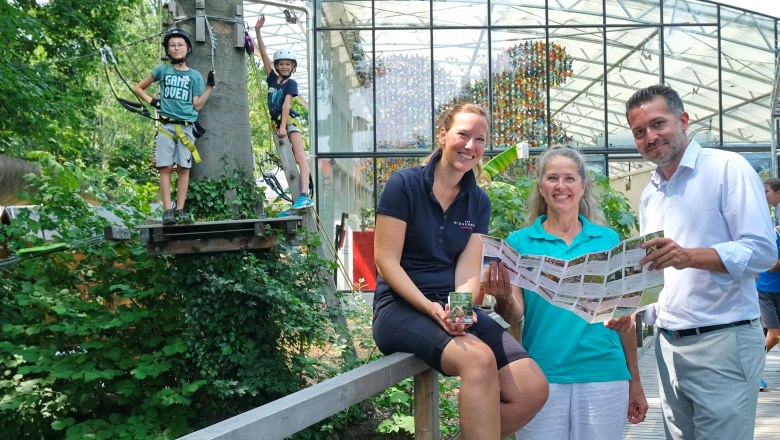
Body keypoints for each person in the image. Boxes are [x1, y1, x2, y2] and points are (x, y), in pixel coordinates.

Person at [372, 103, 548, 439]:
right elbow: (386, 261)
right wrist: (431, 308)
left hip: (450, 306)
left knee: (532, 387)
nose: (471, 146)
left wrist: (459, 311)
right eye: (463, 134)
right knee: (478, 360)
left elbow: (468, 270)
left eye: (479, 139)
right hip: (400, 308)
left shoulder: (478, 201)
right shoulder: (404, 185)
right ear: (443, 135)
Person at [625, 84, 776, 440]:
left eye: (658, 124)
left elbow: (765, 252)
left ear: (683, 120)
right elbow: (658, 273)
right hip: (668, 344)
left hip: (723, 341)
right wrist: (631, 307)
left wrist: (689, 256)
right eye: (639, 132)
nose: (650, 137)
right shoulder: (651, 192)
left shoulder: (726, 169)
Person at [483, 146, 647, 440]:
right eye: (552, 178)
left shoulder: (608, 240)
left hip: (605, 375)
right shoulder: (519, 242)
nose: (561, 186)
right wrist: (503, 296)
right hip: (542, 376)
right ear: (541, 187)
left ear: (583, 186)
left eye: (570, 178)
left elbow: (625, 318)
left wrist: (636, 380)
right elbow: (515, 313)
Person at [132, 28, 214, 225]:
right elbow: (138, 88)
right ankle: (167, 210)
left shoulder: (194, 76)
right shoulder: (162, 70)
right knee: (165, 167)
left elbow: (198, 104)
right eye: (173, 45)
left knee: (184, 168)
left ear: (187, 49)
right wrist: (153, 102)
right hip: (166, 127)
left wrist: (210, 86)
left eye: (180, 45)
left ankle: (180, 209)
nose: (177, 48)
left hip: (186, 127)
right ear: (168, 50)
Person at [254, 15, 313, 214]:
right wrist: (258, 31)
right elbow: (262, 54)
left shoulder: (291, 83)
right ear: (277, 65)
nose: (285, 67)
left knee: (299, 158)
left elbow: (286, 105)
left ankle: (304, 195)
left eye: (289, 64)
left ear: (293, 67)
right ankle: (295, 200)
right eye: (282, 64)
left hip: (289, 123)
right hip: (279, 125)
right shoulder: (271, 79)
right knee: (287, 162)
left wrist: (282, 127)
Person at [757, 178, 780, 391]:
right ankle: (754, 371)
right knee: (773, 334)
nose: (764, 196)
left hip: (773, 287)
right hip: (767, 288)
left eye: (766, 191)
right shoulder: (773, 226)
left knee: (769, 334)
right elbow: (772, 265)